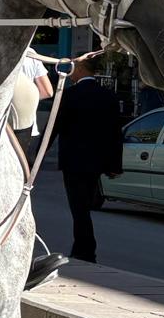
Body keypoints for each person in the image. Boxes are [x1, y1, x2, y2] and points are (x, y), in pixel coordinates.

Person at [49, 56, 124, 264]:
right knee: (83, 206)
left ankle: (86, 250)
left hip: (73, 161)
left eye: (73, 66)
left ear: (81, 68)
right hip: (96, 162)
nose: (71, 70)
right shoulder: (108, 96)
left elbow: (53, 127)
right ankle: (82, 248)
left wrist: (36, 156)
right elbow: (115, 133)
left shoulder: (69, 95)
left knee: (79, 208)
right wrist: (115, 165)